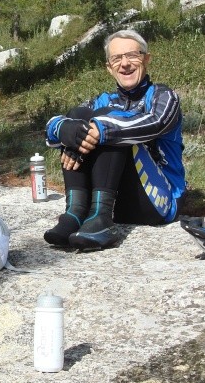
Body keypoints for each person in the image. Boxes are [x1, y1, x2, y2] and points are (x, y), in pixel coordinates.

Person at [42, 29, 185, 250]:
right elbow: (54, 126)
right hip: (117, 203)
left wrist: (101, 129)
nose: (125, 63)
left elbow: (155, 123)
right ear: (109, 68)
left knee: (109, 120)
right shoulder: (102, 100)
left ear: (146, 59)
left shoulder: (164, 96)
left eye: (132, 55)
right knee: (77, 116)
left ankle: (100, 217)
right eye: (117, 58)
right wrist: (65, 130)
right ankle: (77, 212)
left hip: (156, 202)